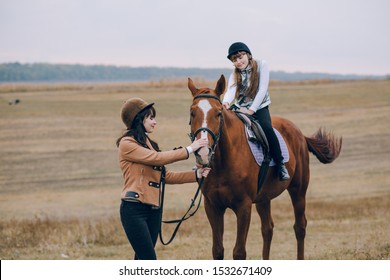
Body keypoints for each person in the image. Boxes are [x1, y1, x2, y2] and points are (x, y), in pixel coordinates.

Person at [116, 97, 211, 260]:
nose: (155, 122)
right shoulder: (127, 144)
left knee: (141, 261)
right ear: (138, 119)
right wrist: (190, 149)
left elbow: (165, 176)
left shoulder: (147, 143)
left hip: (153, 209)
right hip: (134, 209)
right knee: (149, 260)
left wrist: (196, 175)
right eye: (151, 117)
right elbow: (157, 158)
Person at [222, 42, 290, 181]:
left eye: (240, 57)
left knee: (266, 128)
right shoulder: (235, 74)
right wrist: (226, 103)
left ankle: (280, 164)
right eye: (234, 60)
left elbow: (262, 89)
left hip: (259, 107)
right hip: (240, 107)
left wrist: (252, 110)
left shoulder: (261, 65)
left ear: (248, 55)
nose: (238, 62)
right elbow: (231, 90)